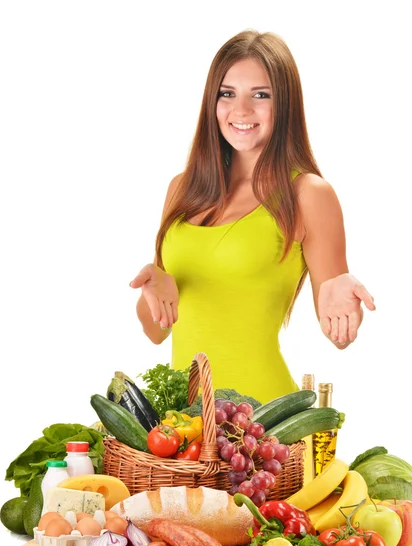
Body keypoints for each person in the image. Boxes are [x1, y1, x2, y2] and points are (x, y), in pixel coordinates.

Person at [129, 29, 376, 405]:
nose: (240, 111)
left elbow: (338, 336)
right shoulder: (182, 189)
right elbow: (155, 333)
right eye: (227, 94)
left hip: (264, 427)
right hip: (185, 427)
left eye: (260, 95)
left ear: (286, 105)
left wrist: (342, 312)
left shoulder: (307, 194)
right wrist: (156, 292)